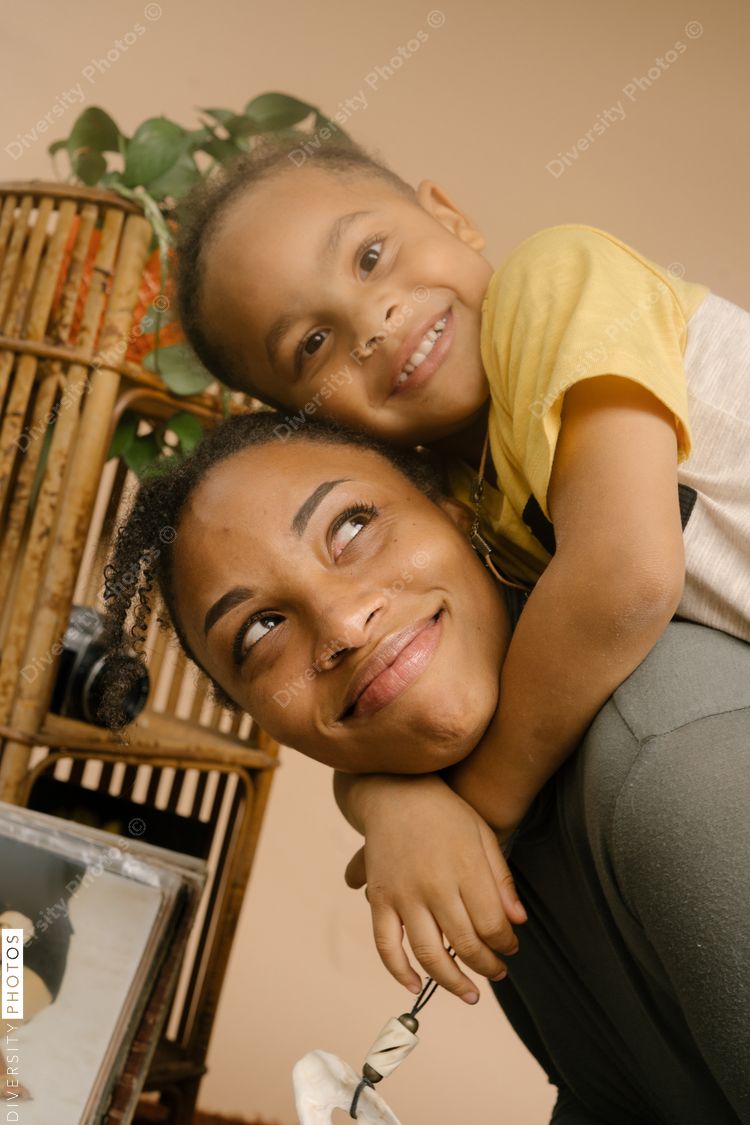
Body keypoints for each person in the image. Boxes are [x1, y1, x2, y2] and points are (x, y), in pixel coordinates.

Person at [100, 414, 750, 1123]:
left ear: (456, 513)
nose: (344, 626)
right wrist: (385, 800)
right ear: (261, 717)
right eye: (260, 629)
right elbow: (616, 1099)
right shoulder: (462, 830)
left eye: (350, 528)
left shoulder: (671, 767)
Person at [171, 138, 750, 911]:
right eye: (313, 345)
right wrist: (387, 802)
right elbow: (422, 700)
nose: (372, 321)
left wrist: (476, 807)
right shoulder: (460, 506)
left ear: (448, 214)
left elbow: (626, 577)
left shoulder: (553, 283)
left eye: (371, 255)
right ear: (311, 422)